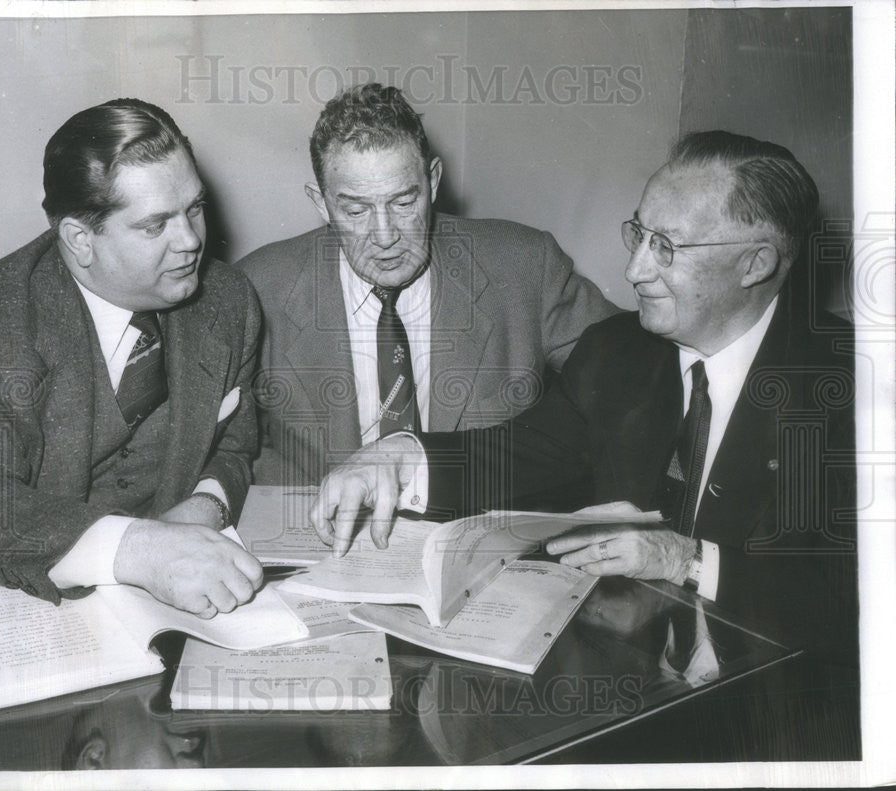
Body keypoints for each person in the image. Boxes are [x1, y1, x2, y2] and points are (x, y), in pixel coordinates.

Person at [311, 130, 857, 661]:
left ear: (755, 264)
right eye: (638, 234)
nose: (634, 270)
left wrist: (685, 559)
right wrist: (402, 455)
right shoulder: (618, 351)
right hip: (627, 677)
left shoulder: (856, 388)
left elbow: (851, 603)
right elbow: (519, 455)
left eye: (666, 247)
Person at [0, 98, 264, 618]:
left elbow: (235, 442)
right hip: (26, 609)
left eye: (195, 207)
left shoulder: (228, 302)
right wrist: (136, 549)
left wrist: (206, 506)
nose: (191, 240)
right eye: (155, 226)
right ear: (80, 239)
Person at [237, 83, 616, 485]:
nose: (384, 236)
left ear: (433, 181)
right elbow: (230, 449)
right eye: (355, 210)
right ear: (321, 203)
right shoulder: (258, 288)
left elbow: (634, 373)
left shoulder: (525, 266)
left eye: (403, 203)